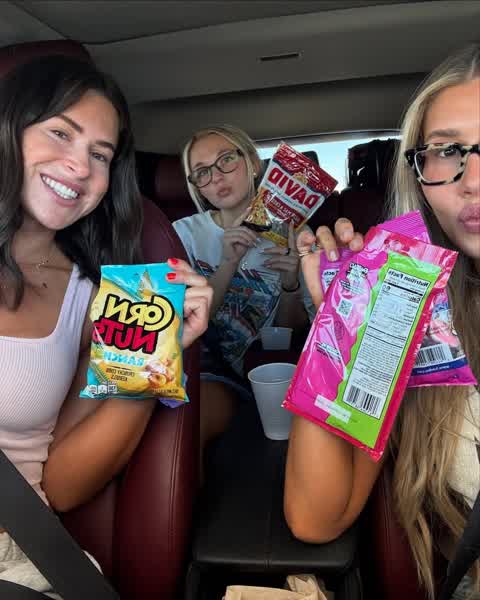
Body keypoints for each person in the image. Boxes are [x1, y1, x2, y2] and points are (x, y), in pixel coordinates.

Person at [0, 55, 212, 598]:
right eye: (60, 133)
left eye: (100, 154)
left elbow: (63, 486)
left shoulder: (96, 298)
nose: (79, 166)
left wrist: (157, 359)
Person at [284, 43, 479, 599]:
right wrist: (339, 321)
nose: (473, 179)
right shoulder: (413, 309)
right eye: (447, 151)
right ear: (419, 172)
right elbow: (316, 517)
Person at [173, 125, 315, 470]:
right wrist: (227, 264)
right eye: (202, 172)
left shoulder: (294, 232)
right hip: (206, 366)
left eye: (226, 160)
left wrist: (291, 285)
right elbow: (181, 325)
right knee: (184, 427)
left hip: (271, 369)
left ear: (252, 162)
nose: (217, 177)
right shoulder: (182, 234)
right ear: (196, 186)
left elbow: (291, 333)